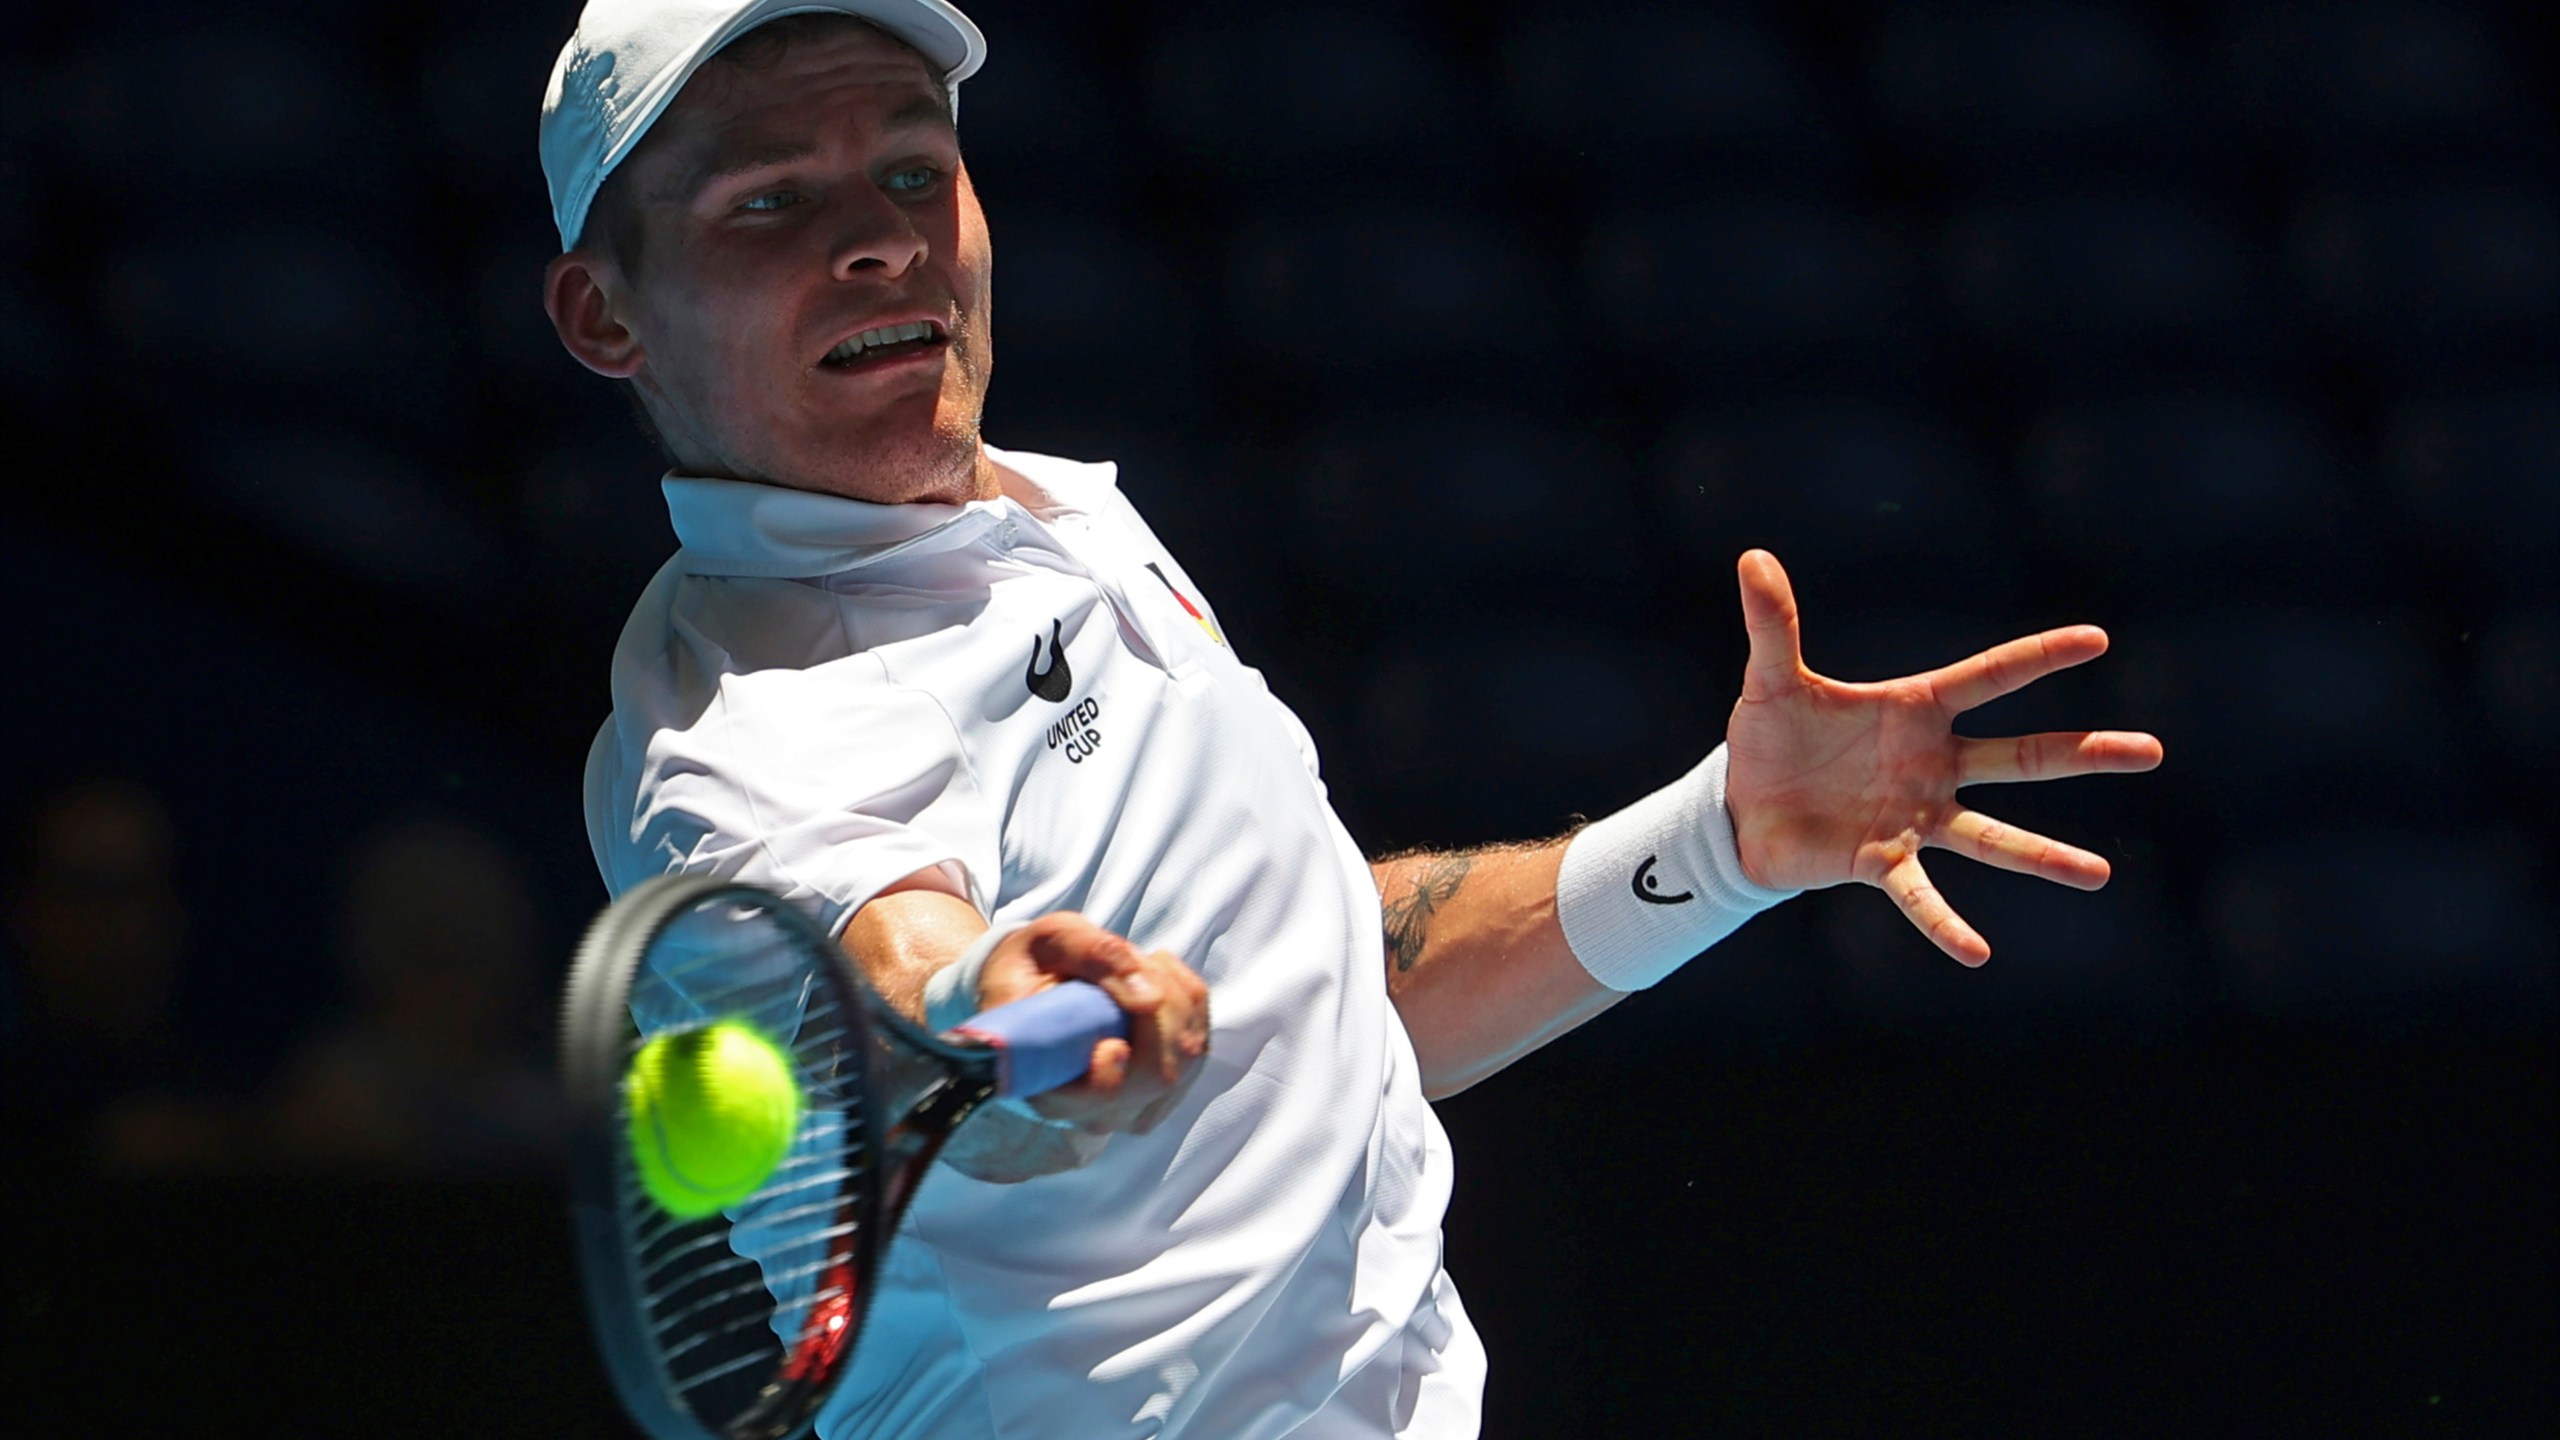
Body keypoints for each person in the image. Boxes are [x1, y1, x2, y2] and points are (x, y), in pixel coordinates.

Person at [541, 3, 2164, 1435]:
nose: (882, 238)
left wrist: (1721, 846)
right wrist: (991, 1001)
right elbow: (897, 982)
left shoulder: (1054, 524)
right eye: (771, 200)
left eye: (912, 169)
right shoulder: (745, 728)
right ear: (605, 318)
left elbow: (1320, 992)